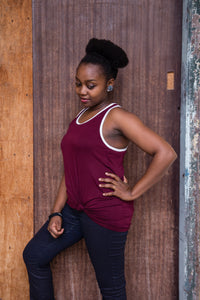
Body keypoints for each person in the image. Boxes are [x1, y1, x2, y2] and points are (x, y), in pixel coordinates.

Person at [23, 38, 177, 300]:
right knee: (34, 256)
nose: (82, 91)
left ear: (110, 84)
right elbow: (71, 170)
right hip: (73, 212)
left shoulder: (117, 117)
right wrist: (55, 213)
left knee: (111, 289)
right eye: (78, 83)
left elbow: (166, 153)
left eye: (91, 86)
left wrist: (132, 192)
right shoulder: (79, 119)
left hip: (105, 215)